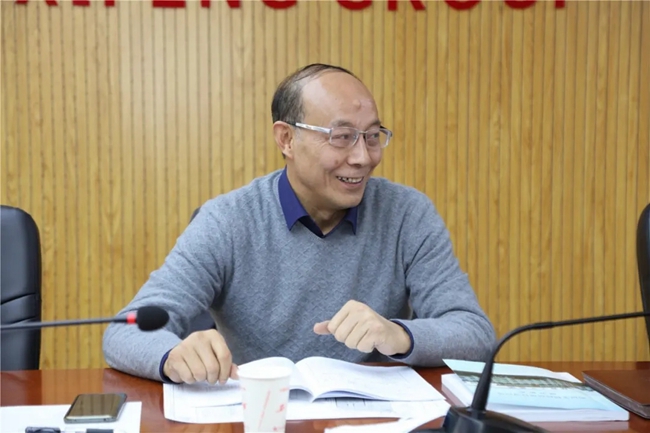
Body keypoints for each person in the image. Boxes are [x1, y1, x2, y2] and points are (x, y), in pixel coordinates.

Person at [102, 63, 497, 384]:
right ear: (287, 139)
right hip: (262, 416)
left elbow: (475, 333)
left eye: (373, 136)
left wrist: (401, 335)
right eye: (342, 137)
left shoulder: (408, 214)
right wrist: (172, 355)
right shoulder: (227, 221)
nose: (363, 157)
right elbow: (123, 331)